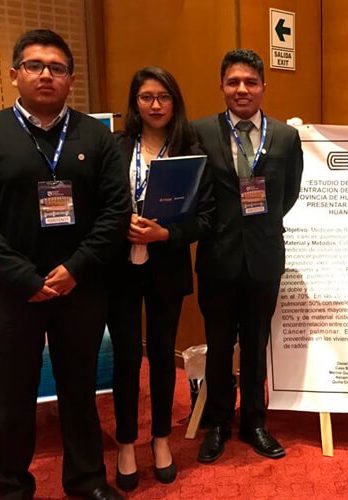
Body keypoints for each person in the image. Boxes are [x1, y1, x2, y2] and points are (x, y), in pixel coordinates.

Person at [0, 29, 130, 500]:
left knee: (80, 390)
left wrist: (76, 268)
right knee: (12, 394)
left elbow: (116, 211)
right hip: (12, 290)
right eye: (34, 66)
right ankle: (11, 485)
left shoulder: (96, 136)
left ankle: (87, 480)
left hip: (81, 286)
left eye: (56, 68)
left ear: (70, 80)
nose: (45, 75)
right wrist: (23, 277)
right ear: (14, 74)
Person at [192, 48, 303, 463]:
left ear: (263, 87)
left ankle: (255, 421)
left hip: (264, 256)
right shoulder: (200, 132)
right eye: (233, 82)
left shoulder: (286, 137)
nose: (242, 89)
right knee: (220, 345)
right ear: (222, 86)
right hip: (217, 257)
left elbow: (289, 193)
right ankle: (219, 423)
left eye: (250, 82)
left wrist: (260, 225)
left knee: (257, 344)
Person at [107, 67, 213, 491]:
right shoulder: (115, 147)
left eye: (163, 97)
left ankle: (161, 438)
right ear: (135, 103)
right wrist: (122, 224)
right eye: (146, 97)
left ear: (175, 102)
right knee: (127, 356)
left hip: (167, 264)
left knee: (164, 356)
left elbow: (206, 218)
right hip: (120, 266)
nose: (155, 105)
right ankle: (126, 443)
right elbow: (100, 204)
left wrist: (166, 234)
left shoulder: (191, 151)